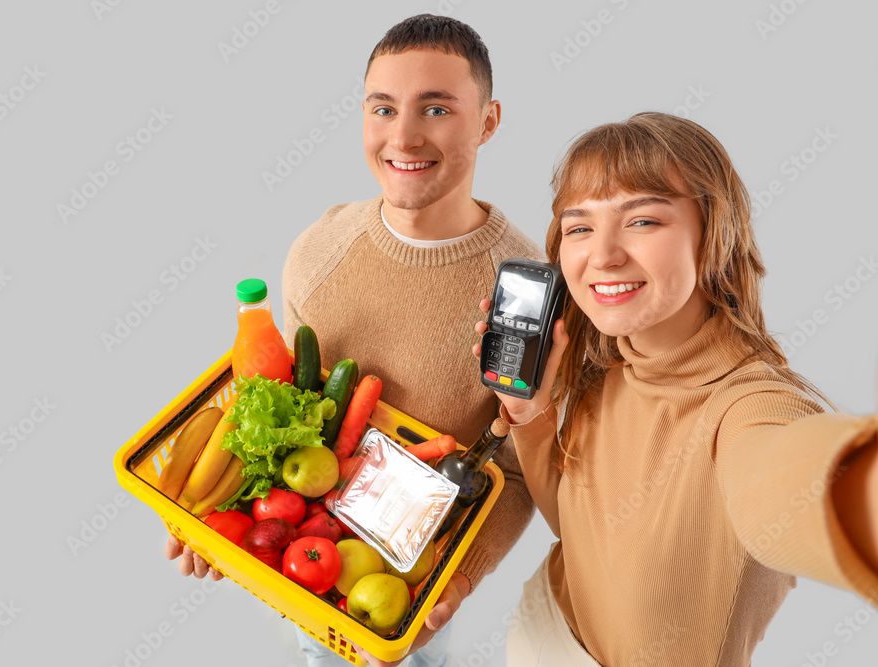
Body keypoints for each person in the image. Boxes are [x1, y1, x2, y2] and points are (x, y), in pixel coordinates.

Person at [168, 14, 544, 667]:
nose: (404, 135)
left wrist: (455, 580)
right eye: (383, 108)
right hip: (300, 555)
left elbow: (515, 468)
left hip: (410, 577)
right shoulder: (318, 252)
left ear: (487, 121)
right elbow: (284, 403)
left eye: (436, 108)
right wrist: (222, 520)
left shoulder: (521, 290)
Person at [470, 111, 878, 666]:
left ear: (714, 232)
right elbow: (582, 534)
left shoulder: (751, 405)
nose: (603, 254)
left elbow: (782, 478)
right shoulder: (611, 364)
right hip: (545, 632)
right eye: (579, 227)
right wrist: (531, 411)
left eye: (642, 221)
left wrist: (852, 493)